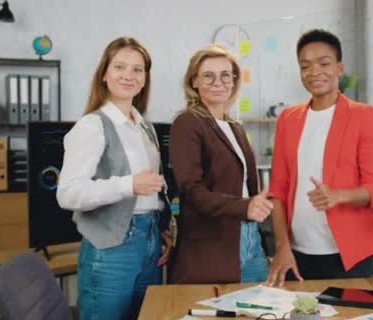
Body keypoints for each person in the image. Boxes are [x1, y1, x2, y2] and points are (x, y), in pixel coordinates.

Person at [56, 37, 174, 320]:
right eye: (120, 67)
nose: (129, 76)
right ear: (105, 74)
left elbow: (154, 188)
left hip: (150, 241)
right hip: (111, 248)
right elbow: (68, 193)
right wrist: (128, 184)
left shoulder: (145, 127)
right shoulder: (92, 125)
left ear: (145, 79)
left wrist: (163, 228)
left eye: (138, 69)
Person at [265, 29, 373, 286]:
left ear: (339, 68)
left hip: (351, 255)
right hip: (297, 253)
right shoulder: (288, 118)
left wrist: (338, 196)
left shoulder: (362, 115)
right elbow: (278, 190)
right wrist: (281, 247)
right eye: (305, 66)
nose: (314, 72)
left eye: (324, 63)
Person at [167, 45, 273, 283]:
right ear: (194, 81)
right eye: (208, 76)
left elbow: (245, 186)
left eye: (226, 75)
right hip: (212, 248)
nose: (219, 82)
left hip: (250, 241)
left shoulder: (234, 126)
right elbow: (191, 190)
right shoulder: (187, 123)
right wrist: (244, 206)